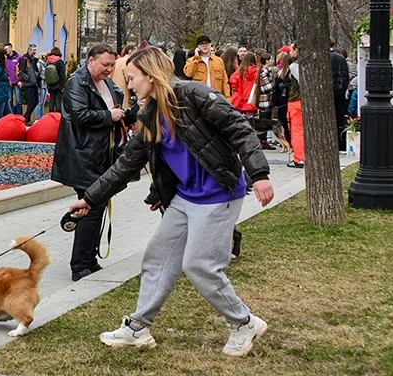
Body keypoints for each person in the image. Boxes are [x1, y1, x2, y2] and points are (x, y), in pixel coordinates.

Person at [68, 46, 274, 357]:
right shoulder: (148, 115)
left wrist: (259, 174)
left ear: (151, 77)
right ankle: (138, 327)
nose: (129, 85)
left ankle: (243, 323)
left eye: (132, 78)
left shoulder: (194, 95)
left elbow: (239, 129)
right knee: (157, 258)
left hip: (218, 194)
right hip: (185, 198)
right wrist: (89, 199)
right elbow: (127, 165)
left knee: (200, 265)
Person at [51, 45, 136, 281]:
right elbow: (79, 115)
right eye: (105, 64)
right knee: (91, 206)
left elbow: (118, 113)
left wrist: (133, 112)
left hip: (102, 155)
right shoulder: (77, 83)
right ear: (91, 61)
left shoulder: (107, 84)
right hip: (82, 156)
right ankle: (79, 264)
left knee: (97, 205)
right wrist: (110, 116)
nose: (109, 69)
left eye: (112, 65)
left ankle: (89, 258)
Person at [281, 45, 304, 168]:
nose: (290, 52)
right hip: (303, 101)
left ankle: (299, 158)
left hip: (296, 101)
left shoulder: (294, 66)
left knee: (296, 130)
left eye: (291, 49)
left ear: (296, 50)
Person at [331, 48, 351, 151]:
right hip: (341, 91)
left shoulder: (326, 57)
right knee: (341, 117)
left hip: (331, 91)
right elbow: (346, 75)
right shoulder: (341, 58)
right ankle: (342, 142)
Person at [229, 51, 259, 118]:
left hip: (239, 99)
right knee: (250, 121)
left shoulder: (239, 71)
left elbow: (233, 83)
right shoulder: (257, 72)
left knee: (239, 121)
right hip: (251, 100)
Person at [19, 44, 41, 123]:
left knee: (36, 101)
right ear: (29, 50)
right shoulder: (25, 59)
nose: (35, 52)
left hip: (34, 83)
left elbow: (36, 71)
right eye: (33, 50)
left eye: (35, 50)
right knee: (31, 102)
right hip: (29, 84)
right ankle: (26, 118)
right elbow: (21, 72)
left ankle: (26, 117)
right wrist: (28, 78)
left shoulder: (34, 60)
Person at [44, 47, 67, 113]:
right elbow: (62, 74)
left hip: (50, 84)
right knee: (59, 100)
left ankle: (51, 115)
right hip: (59, 84)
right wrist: (63, 84)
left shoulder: (48, 61)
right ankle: (57, 116)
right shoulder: (60, 61)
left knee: (52, 100)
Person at [3, 43, 23, 115]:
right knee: (9, 100)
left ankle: (20, 116)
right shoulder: (4, 59)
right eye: (4, 49)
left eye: (7, 49)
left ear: (11, 48)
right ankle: (10, 116)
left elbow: (22, 69)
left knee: (18, 100)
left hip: (17, 82)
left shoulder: (19, 57)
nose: (6, 51)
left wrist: (21, 80)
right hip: (8, 82)